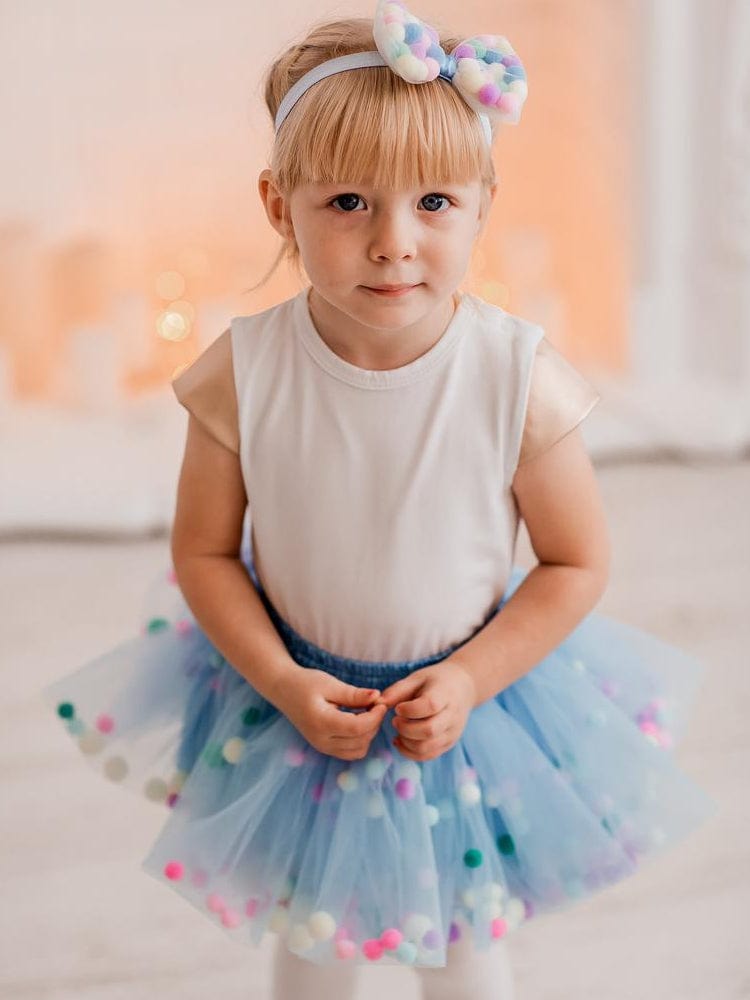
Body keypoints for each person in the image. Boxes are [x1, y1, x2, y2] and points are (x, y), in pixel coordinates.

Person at [41, 2, 718, 997]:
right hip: (305, 707)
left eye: (434, 202)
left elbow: (577, 562)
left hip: (462, 711)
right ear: (281, 205)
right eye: (349, 202)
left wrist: (472, 678)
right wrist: (280, 679)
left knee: (467, 958)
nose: (395, 242)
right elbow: (206, 553)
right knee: (316, 959)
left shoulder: (515, 376)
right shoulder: (247, 369)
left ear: (484, 203)